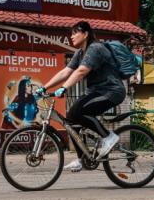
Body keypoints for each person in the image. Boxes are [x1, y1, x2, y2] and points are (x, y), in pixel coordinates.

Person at [40, 21, 127, 172]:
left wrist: (64, 88)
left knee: (81, 111)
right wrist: (44, 87)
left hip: (111, 91)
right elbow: (65, 72)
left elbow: (81, 71)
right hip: (96, 92)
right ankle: (81, 159)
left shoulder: (95, 48)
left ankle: (109, 137)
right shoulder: (80, 53)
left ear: (86, 34)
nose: (71, 36)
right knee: (71, 119)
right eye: (71, 33)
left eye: (75, 33)